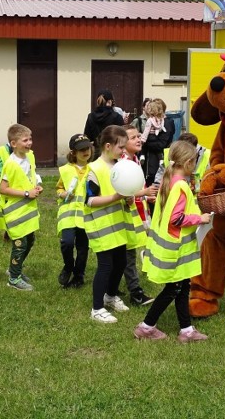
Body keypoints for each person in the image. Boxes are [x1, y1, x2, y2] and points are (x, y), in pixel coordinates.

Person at [134, 140, 212, 342]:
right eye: (194, 161)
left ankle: (186, 330)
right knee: (173, 289)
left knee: (183, 287)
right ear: (187, 162)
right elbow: (176, 219)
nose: (195, 165)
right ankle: (146, 326)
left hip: (174, 249)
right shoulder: (180, 187)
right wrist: (200, 218)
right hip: (176, 250)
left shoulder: (169, 182)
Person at [84, 125, 132, 323]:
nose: (124, 151)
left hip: (117, 224)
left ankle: (110, 296)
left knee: (120, 262)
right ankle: (97, 309)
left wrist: (125, 199)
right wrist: (115, 197)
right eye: (121, 147)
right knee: (105, 266)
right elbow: (89, 200)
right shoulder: (94, 169)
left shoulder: (119, 166)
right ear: (108, 146)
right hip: (100, 226)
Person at [0, 124, 42, 291]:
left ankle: (14, 269)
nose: (29, 143)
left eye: (30, 139)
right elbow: (3, 189)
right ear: (14, 143)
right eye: (25, 140)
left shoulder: (30, 157)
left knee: (29, 241)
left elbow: (33, 173)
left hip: (28, 211)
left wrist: (38, 184)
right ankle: (14, 279)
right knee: (19, 244)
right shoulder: (10, 164)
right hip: (15, 212)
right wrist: (25, 193)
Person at [120, 125, 156, 305]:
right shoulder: (122, 163)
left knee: (126, 254)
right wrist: (144, 192)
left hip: (138, 212)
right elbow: (123, 193)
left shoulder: (135, 159)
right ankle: (135, 292)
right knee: (128, 255)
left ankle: (112, 289)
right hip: (126, 216)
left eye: (138, 136)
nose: (138, 139)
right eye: (133, 137)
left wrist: (146, 195)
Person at [56, 134, 93, 289]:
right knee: (67, 243)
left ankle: (79, 275)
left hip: (86, 215)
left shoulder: (94, 169)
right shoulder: (65, 170)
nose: (85, 152)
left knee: (83, 247)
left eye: (88, 148)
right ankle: (68, 266)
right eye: (81, 150)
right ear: (73, 152)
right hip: (69, 215)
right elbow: (59, 187)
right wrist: (62, 193)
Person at [141, 98, 175, 189]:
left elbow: (161, 144)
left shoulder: (167, 123)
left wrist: (146, 141)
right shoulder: (152, 121)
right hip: (149, 162)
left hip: (158, 161)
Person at [83, 90, 124, 158]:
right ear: (110, 101)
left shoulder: (91, 116)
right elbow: (122, 136)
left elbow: (87, 136)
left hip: (96, 152)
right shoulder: (116, 116)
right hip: (112, 152)